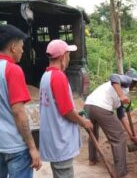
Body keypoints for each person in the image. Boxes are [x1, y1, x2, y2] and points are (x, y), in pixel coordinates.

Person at [39, 39, 93, 178]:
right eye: (68, 55)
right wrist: (83, 121)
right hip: (60, 139)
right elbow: (67, 111)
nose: (69, 58)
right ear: (63, 56)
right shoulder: (58, 77)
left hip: (53, 138)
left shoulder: (46, 76)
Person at [84, 69, 137, 178]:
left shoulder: (120, 89)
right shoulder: (126, 81)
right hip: (101, 106)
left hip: (89, 105)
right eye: (135, 83)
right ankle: (122, 174)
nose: (134, 86)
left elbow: (121, 116)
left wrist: (131, 134)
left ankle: (92, 160)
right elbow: (114, 76)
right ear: (134, 81)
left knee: (94, 133)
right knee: (119, 137)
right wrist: (121, 96)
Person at [0, 24, 42, 178]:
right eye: (21, 46)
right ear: (13, 47)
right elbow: (19, 113)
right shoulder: (12, 70)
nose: (23, 51)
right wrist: (32, 147)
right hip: (15, 147)